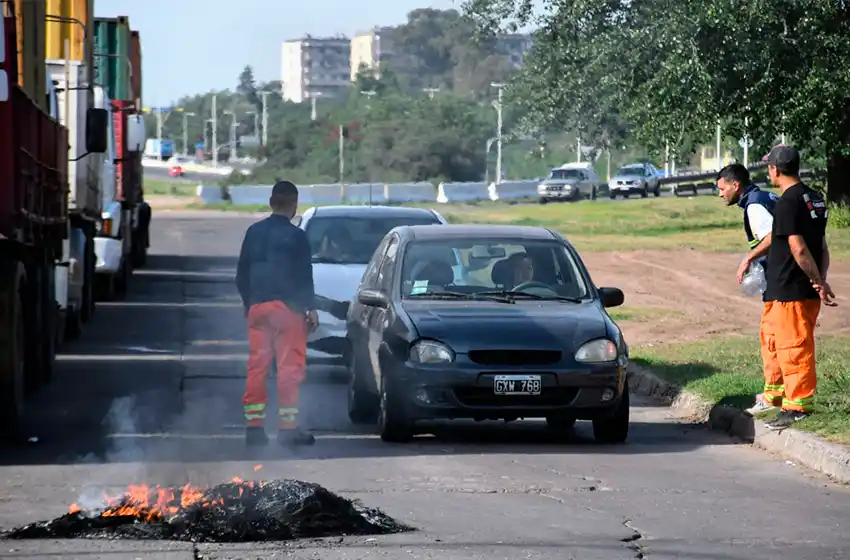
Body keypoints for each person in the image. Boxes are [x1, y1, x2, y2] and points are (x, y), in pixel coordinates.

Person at [235, 180, 319, 447]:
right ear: (294, 205)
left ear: (271, 203)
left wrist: (250, 304)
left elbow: (241, 274)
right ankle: (287, 429)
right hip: (287, 310)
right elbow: (304, 276)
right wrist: (309, 308)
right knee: (288, 370)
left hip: (258, 308)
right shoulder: (297, 236)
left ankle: (254, 429)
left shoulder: (253, 232)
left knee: (257, 368)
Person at [760, 145, 836, 430]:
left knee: (794, 347)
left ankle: (798, 406)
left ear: (775, 169)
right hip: (783, 290)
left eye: (769, 166)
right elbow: (823, 247)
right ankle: (777, 395)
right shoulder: (813, 198)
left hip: (792, 290)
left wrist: (817, 281)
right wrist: (821, 278)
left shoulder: (788, 202)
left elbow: (799, 247)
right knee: (774, 341)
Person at [716, 163, 782, 414]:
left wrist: (748, 259)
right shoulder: (765, 197)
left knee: (771, 337)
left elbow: (772, 235)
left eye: (723, 189)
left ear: (736, 185)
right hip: (782, 277)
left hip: (779, 279)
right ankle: (776, 392)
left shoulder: (754, 205)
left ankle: (773, 396)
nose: (721, 194)